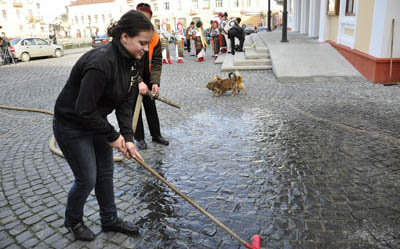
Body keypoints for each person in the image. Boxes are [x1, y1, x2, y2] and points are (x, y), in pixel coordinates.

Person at [53, 10, 151, 241]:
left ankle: (109, 220)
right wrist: (113, 136)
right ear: (125, 36)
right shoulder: (101, 61)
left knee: (105, 174)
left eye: (148, 44)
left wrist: (127, 137)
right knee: (87, 178)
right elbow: (83, 110)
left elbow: (126, 102)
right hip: (72, 123)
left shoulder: (133, 61)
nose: (145, 49)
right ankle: (73, 220)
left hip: (95, 121)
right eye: (142, 43)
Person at [135, 2, 169, 150]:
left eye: (146, 18)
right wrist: (139, 82)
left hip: (148, 76)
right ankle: (139, 138)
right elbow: (127, 63)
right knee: (135, 108)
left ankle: (156, 135)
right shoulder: (130, 35)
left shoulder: (155, 37)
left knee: (151, 106)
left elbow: (156, 61)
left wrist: (155, 82)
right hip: (132, 76)